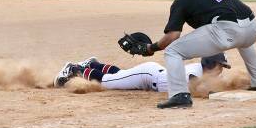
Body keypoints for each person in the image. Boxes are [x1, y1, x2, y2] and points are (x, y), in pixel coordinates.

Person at [136, 0, 256, 109]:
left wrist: (151, 48)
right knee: (243, 40)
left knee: (172, 51)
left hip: (227, 30)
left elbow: (172, 36)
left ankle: (180, 95)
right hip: (253, 28)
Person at [53, 53, 231, 93]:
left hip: (151, 76)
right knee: (108, 82)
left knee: (121, 75)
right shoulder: (195, 73)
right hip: (148, 76)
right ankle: (75, 69)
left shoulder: (208, 73)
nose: (221, 69)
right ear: (209, 63)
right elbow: (198, 87)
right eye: (220, 65)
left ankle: (94, 65)